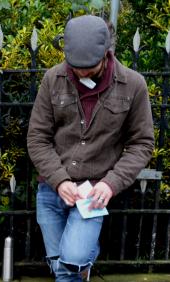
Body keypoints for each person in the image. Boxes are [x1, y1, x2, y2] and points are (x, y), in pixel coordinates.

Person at [26, 15, 155, 281]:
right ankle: (83, 259)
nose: (81, 72)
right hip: (52, 188)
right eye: (76, 66)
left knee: (71, 264)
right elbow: (37, 137)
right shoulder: (53, 79)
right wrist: (60, 181)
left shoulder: (133, 85)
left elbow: (142, 143)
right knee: (59, 266)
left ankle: (82, 258)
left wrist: (111, 184)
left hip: (93, 194)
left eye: (89, 66)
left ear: (107, 53)